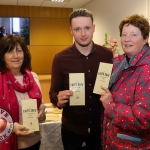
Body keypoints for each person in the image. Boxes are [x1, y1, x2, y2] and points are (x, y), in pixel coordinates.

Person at [49, 8, 113, 150]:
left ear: (94, 28)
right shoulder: (60, 58)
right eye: (78, 29)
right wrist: (57, 100)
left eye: (87, 28)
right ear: (71, 30)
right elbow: (53, 93)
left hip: (100, 129)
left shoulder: (107, 55)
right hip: (72, 130)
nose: (83, 34)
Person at [100, 14, 150, 149]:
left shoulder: (147, 71)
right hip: (113, 141)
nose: (127, 39)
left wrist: (110, 105)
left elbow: (144, 119)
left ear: (145, 39)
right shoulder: (119, 63)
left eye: (134, 35)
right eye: (124, 34)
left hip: (131, 145)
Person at [0, 35, 46, 150]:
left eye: (19, 51)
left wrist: (41, 113)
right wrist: (10, 127)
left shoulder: (33, 77)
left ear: (24, 54)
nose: (15, 56)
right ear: (2, 56)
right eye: (10, 51)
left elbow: (41, 106)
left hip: (34, 142)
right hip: (9, 143)